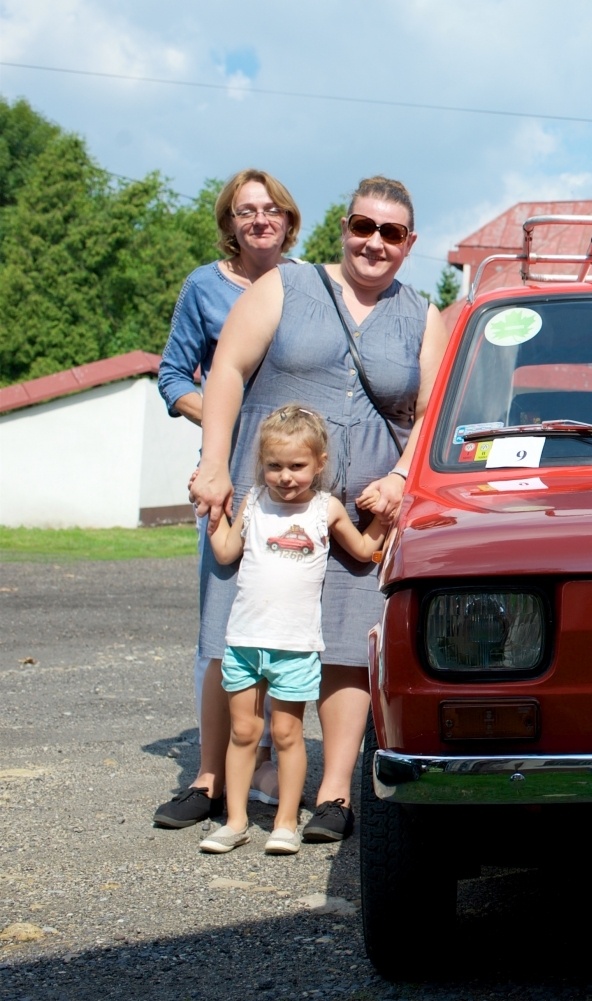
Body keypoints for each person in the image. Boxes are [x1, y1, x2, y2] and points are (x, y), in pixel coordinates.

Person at [190, 175, 447, 842]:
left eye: (390, 233)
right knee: (238, 630)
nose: (373, 242)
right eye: (363, 226)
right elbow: (225, 372)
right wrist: (214, 464)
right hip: (270, 501)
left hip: (360, 515)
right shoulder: (286, 286)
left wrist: (397, 477)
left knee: (345, 645)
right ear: (344, 226)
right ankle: (221, 780)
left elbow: (429, 414)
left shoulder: (423, 314)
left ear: (409, 243)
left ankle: (334, 793)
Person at [154, 169, 303, 829]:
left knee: (286, 621)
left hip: (292, 478)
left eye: (270, 209)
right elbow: (171, 374)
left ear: (289, 220)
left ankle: (269, 759)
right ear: (230, 222)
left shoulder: (306, 287)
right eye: (246, 211)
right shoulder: (203, 286)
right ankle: (209, 776)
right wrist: (221, 419)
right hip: (226, 476)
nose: (259, 219)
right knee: (222, 625)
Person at [201, 405, 389, 855]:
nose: (286, 476)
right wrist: (214, 520)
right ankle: (237, 821)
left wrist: (387, 518)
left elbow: (364, 551)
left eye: (297, 466)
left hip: (296, 646)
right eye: (275, 466)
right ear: (261, 465)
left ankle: (285, 822)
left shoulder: (326, 509)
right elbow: (227, 552)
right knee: (243, 732)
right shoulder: (253, 502)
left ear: (320, 463)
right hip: (245, 641)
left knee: (287, 734)